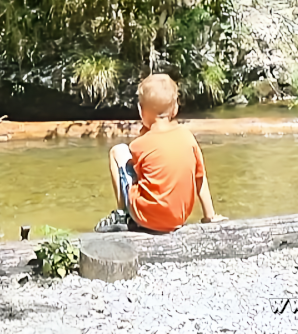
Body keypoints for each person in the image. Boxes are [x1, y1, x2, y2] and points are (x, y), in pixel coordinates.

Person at [94, 74, 227, 233]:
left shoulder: (139, 144)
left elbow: (140, 174)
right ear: (175, 109)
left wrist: (143, 134)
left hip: (147, 218)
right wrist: (209, 216)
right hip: (179, 218)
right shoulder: (188, 137)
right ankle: (209, 215)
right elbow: (200, 178)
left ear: (141, 111)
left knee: (117, 152)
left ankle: (122, 214)